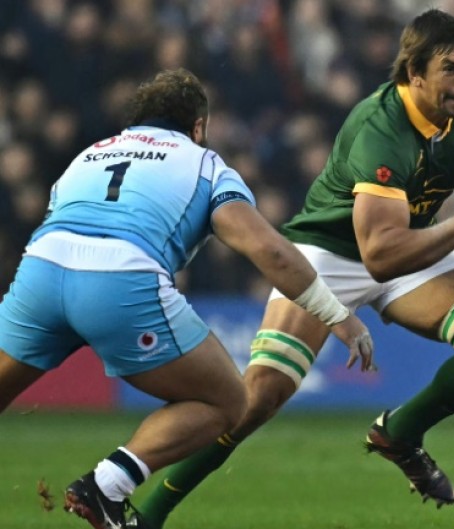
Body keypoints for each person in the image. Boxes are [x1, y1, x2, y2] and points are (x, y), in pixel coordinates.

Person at [130, 10, 454, 529]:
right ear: (414, 74)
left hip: (412, 242)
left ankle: (402, 431)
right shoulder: (380, 127)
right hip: (332, 252)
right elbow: (378, 256)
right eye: (450, 69)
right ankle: (149, 514)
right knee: (257, 396)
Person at [0, 68, 373, 529]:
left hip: (40, 268)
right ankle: (106, 485)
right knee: (227, 402)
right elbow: (269, 249)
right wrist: (335, 313)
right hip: (120, 279)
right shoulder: (204, 163)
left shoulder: (89, 155)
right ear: (199, 127)